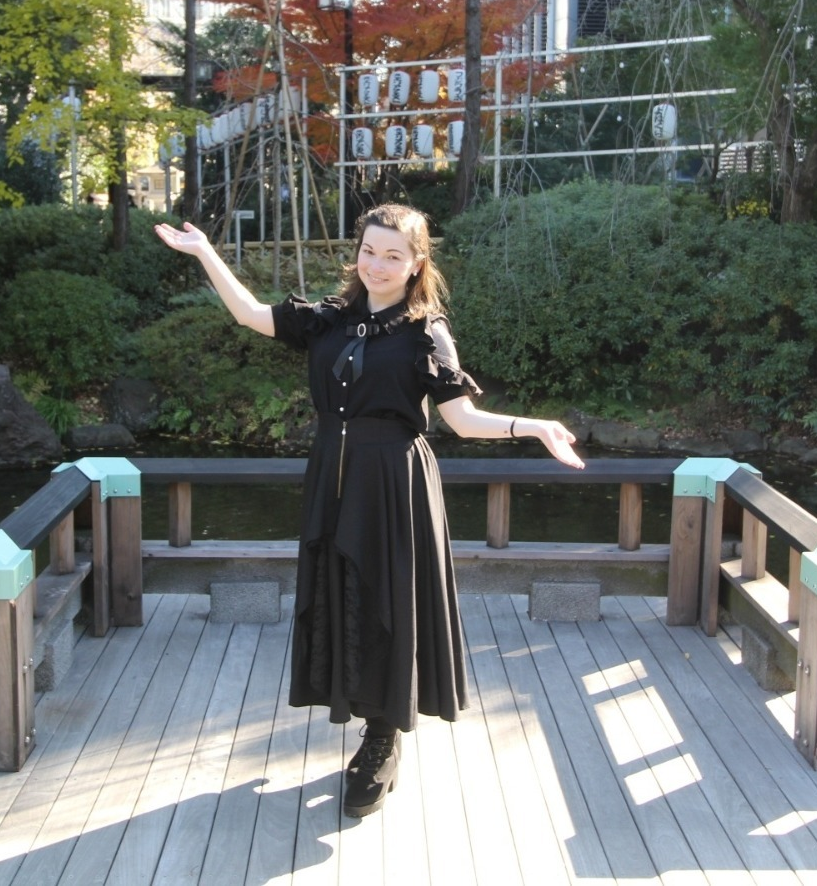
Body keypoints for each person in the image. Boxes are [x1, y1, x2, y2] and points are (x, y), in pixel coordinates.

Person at [155, 203, 584, 818]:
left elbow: (462, 420)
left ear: (416, 264)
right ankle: (364, 717)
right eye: (369, 251)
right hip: (332, 477)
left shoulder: (425, 331)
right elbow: (249, 314)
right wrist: (204, 252)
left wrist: (533, 426)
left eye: (392, 255)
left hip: (393, 483)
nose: (377, 265)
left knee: (386, 599)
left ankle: (383, 737)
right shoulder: (329, 319)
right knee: (342, 594)